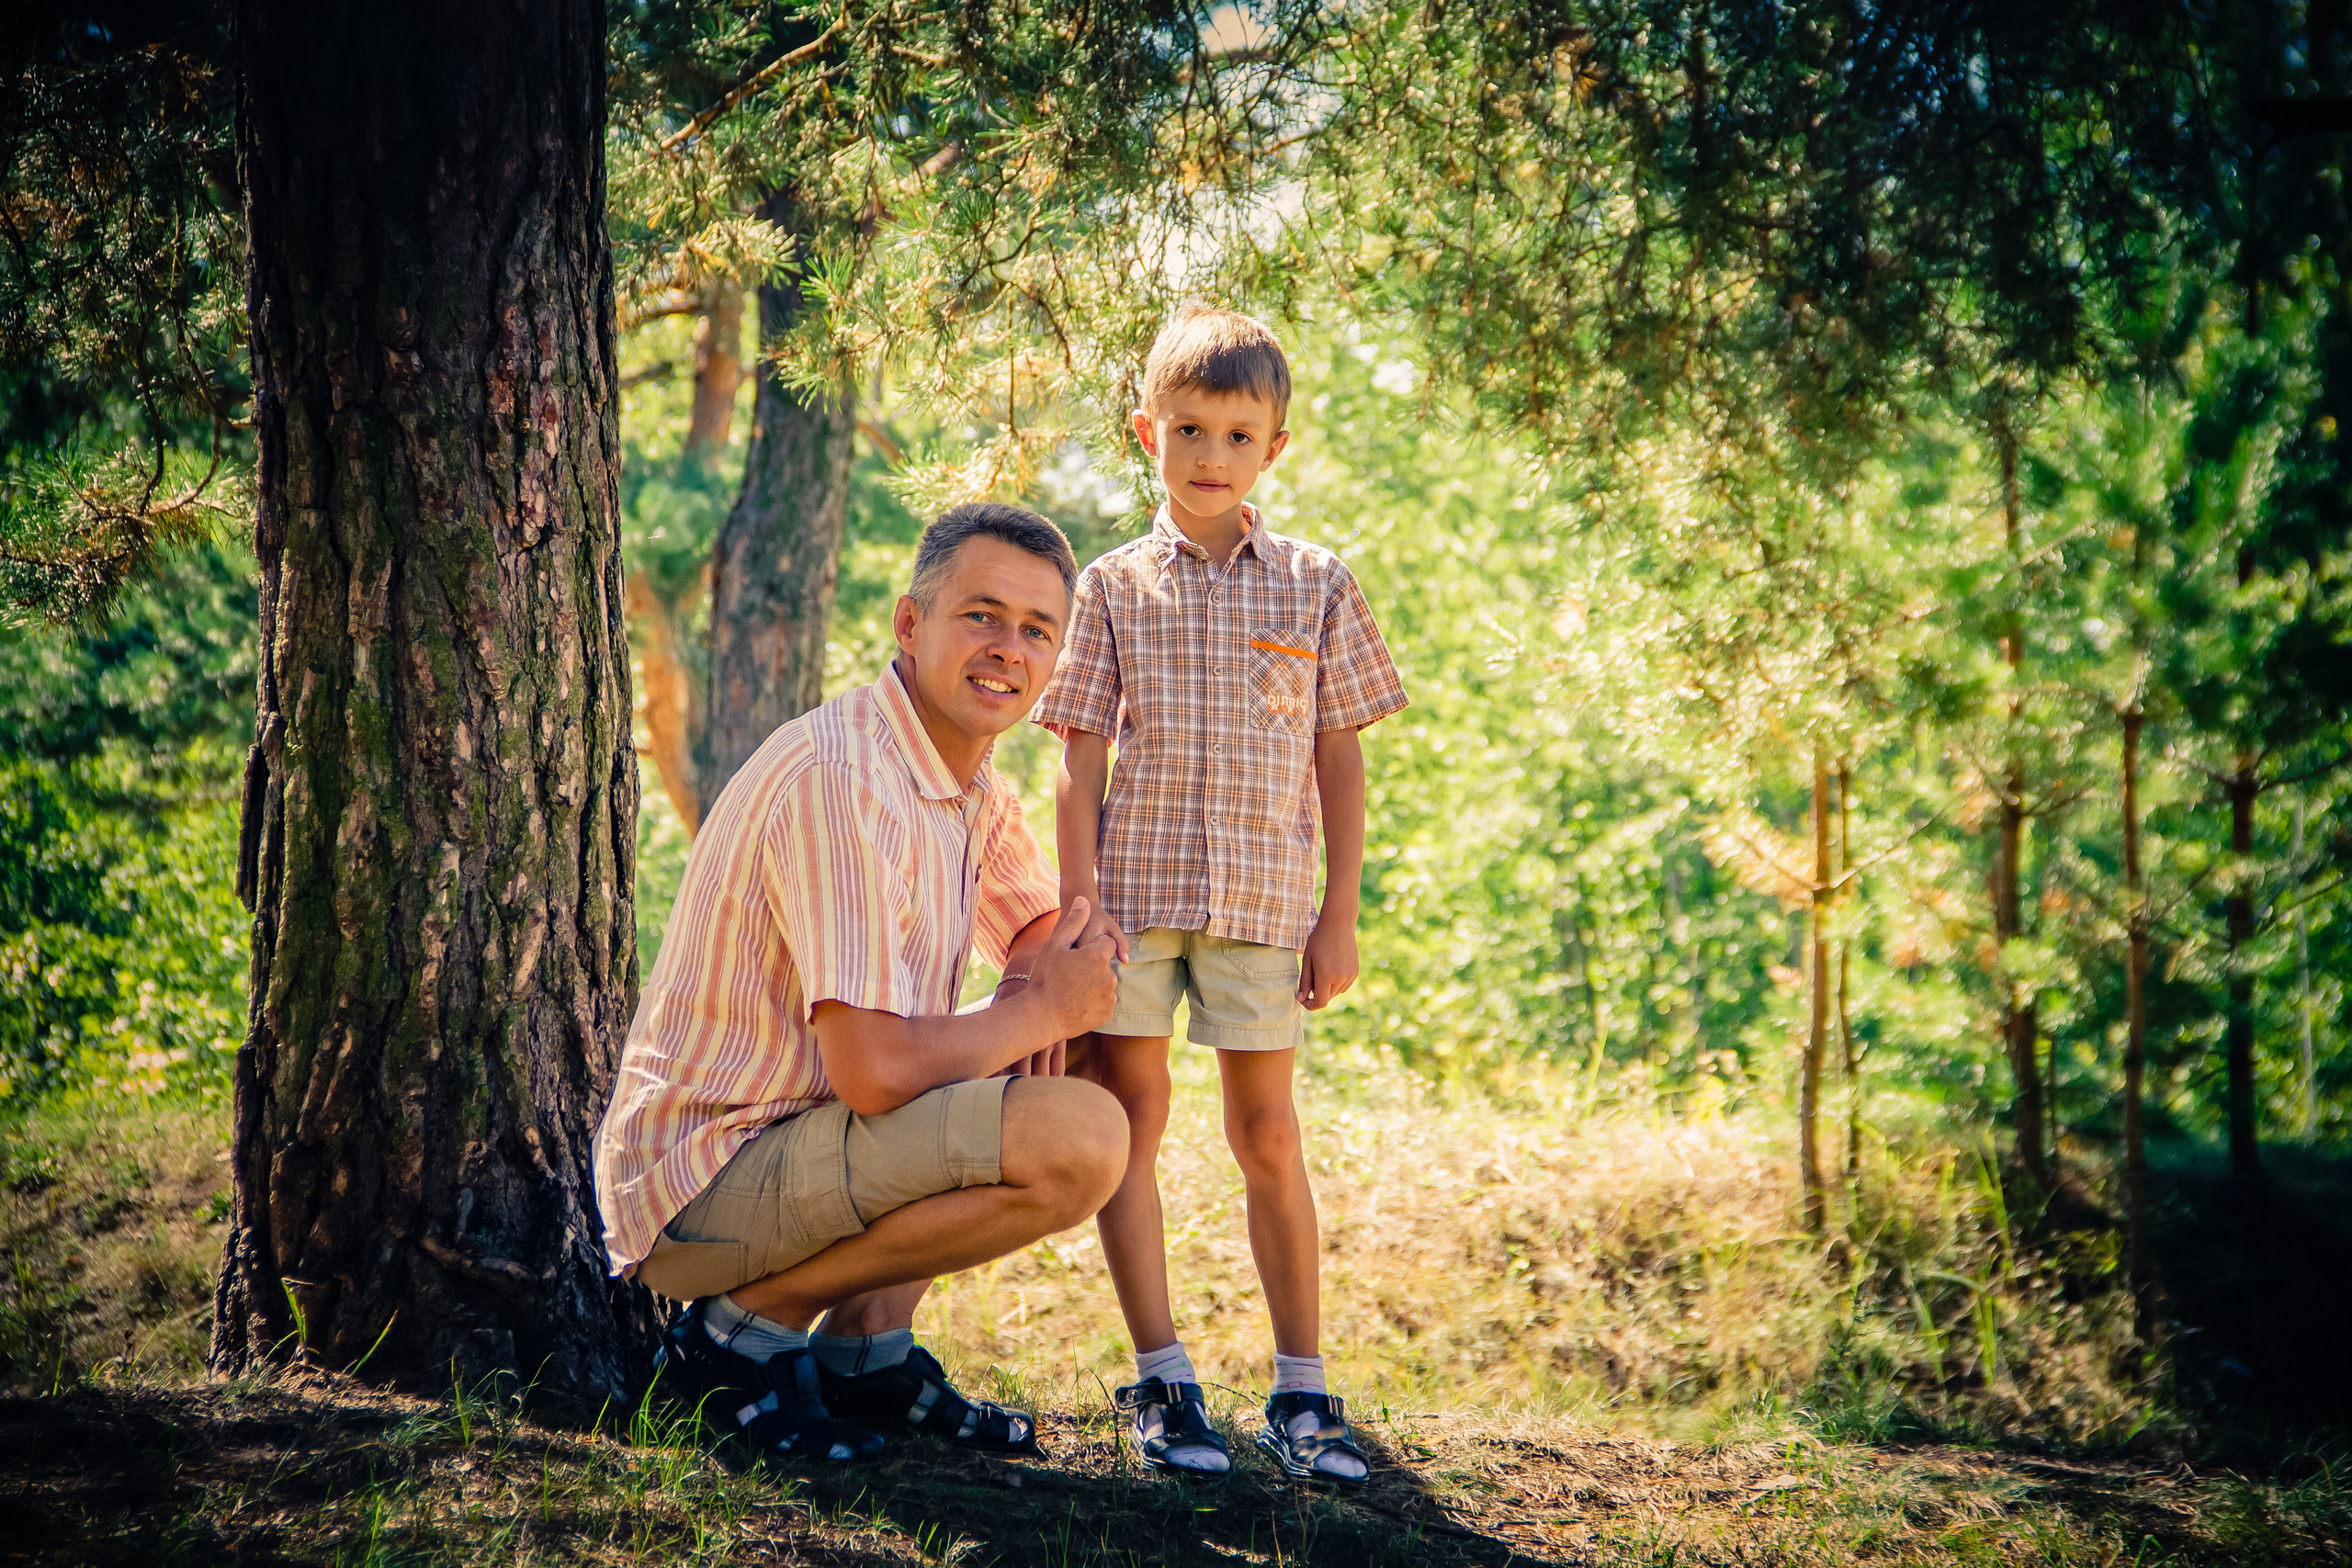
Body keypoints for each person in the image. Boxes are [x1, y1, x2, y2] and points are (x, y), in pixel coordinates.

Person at [594, 502, 1127, 1465]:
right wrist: (1036, 1008)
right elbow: (875, 1073)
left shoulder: (964, 779)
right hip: (709, 1173)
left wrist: (1040, 990)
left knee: (1077, 1038)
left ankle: (864, 1355)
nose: (1008, 648)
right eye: (982, 615)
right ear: (910, 624)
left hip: (804, 1148)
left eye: (1036, 630)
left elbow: (1049, 930)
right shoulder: (843, 777)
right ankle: (731, 1342)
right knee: (1078, 1134)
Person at [1035, 304, 1408, 1485]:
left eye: (1238, 436)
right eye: (1188, 429)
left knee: (1268, 1136)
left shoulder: (1314, 585)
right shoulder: (1106, 587)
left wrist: (1337, 911)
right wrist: (1080, 904)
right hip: (1133, 905)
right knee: (1126, 1128)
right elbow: (1079, 755)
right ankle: (1163, 1375)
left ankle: (1303, 1394)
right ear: (1148, 431)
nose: (1210, 455)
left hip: (1262, 905)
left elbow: (1339, 757)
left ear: (1274, 448)